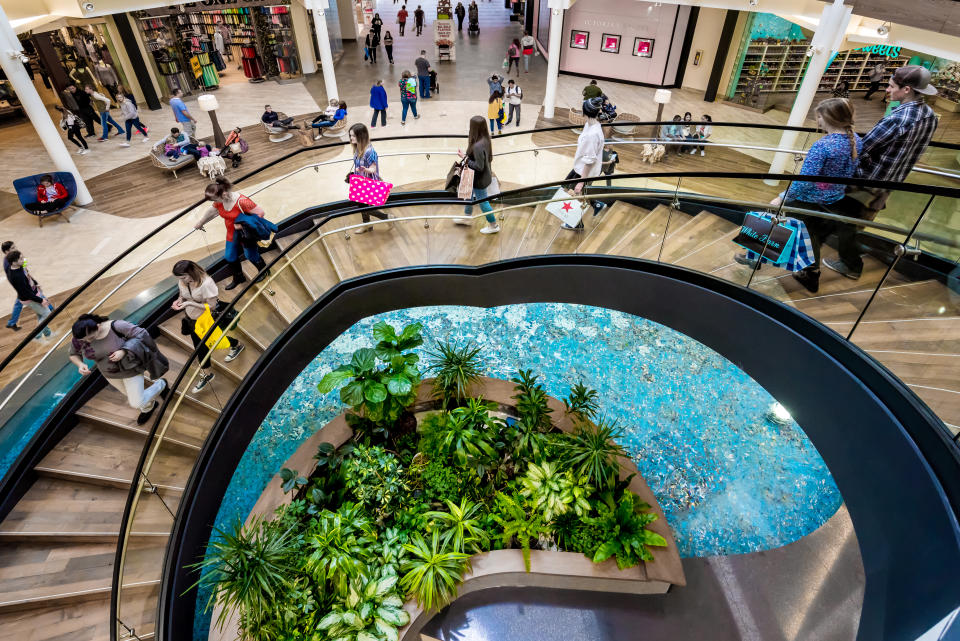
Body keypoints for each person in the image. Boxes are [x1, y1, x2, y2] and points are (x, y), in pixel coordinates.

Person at [737, 98, 862, 293]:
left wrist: (782, 196)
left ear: (828, 118)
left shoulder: (823, 146)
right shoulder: (855, 140)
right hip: (834, 199)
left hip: (810, 199)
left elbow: (804, 181)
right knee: (810, 235)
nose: (817, 121)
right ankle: (801, 270)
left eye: (819, 117)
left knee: (773, 219)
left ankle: (756, 258)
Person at [825, 65, 938, 280]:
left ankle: (851, 264)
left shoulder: (898, 118)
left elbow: (862, 147)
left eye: (891, 86)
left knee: (845, 220)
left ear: (906, 90)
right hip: (889, 183)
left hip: (866, 182)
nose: (887, 90)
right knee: (857, 222)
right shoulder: (930, 116)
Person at [69, 313, 169, 425]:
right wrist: (80, 364)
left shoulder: (117, 326)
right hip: (110, 375)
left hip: (131, 370)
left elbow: (143, 335)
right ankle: (149, 407)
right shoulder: (82, 336)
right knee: (133, 396)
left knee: (136, 402)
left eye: (91, 338)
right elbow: (73, 354)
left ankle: (161, 384)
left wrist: (124, 351)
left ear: (98, 326)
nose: (88, 341)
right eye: (85, 340)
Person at [171, 260, 245, 393]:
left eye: (183, 277)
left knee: (209, 344)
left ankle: (236, 345)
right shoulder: (183, 281)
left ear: (191, 272)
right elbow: (182, 293)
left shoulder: (206, 284)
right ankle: (207, 373)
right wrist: (179, 300)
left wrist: (189, 304)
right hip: (192, 320)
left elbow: (211, 306)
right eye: (179, 278)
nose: (181, 281)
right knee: (201, 347)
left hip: (206, 320)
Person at [194, 177, 273, 290]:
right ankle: (239, 277)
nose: (213, 202)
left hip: (246, 234)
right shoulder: (219, 201)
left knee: (250, 255)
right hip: (232, 232)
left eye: (214, 199)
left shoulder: (242, 201)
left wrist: (241, 225)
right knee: (229, 256)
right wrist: (201, 222)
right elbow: (212, 210)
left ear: (224, 194)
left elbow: (260, 213)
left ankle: (264, 270)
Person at [561, 96, 607, 230]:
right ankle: (596, 204)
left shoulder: (593, 134)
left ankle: (576, 224)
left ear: (584, 112)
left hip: (585, 171)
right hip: (580, 167)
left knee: (576, 195)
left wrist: (581, 182)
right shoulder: (591, 124)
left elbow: (590, 160)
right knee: (564, 188)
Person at [456, 115, 499, 234]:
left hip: (479, 180)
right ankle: (467, 217)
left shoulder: (477, 146)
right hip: (480, 177)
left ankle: (493, 225)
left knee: (483, 202)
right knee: (469, 196)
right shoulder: (485, 139)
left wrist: (464, 157)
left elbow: (479, 167)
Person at [348, 124, 393, 234]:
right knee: (361, 204)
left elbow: (373, 169)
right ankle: (367, 224)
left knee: (365, 207)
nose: (351, 138)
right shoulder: (358, 148)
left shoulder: (369, 151)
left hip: (369, 183)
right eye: (350, 136)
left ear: (361, 136)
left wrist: (365, 170)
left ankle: (386, 217)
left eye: (353, 136)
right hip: (360, 181)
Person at [4, 248, 53, 337]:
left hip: (34, 293)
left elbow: (27, 275)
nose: (24, 260)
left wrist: (35, 283)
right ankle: (36, 334)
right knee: (47, 313)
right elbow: (26, 293)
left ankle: (46, 333)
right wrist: (41, 300)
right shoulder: (17, 276)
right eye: (21, 259)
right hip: (29, 298)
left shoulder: (19, 267)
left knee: (40, 313)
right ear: (14, 262)